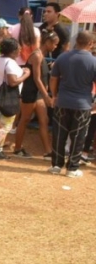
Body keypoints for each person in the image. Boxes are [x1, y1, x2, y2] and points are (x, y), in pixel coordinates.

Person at [49, 30, 96, 176]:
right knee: (78, 137)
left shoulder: (63, 57)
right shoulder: (94, 61)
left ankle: (56, 165)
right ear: (90, 43)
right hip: (83, 104)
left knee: (59, 134)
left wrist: (54, 95)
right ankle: (72, 168)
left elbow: (53, 79)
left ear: (77, 41)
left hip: (62, 101)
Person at [11, 20, 55, 159]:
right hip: (31, 92)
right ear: (47, 42)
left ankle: (48, 151)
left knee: (44, 120)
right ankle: (17, 148)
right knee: (24, 119)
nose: (55, 47)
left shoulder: (40, 55)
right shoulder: (36, 55)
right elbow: (36, 79)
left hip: (38, 93)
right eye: (54, 44)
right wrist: (46, 96)